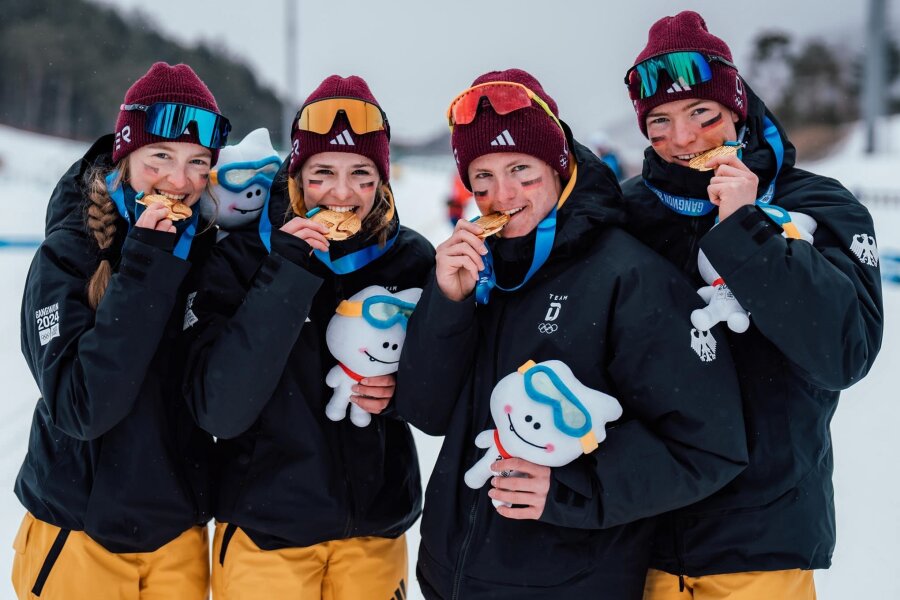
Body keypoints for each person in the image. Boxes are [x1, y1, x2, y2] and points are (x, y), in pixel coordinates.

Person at [395, 68, 749, 599]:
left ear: (559, 169)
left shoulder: (627, 275)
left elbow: (708, 447)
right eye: (483, 175)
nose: (501, 193)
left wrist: (569, 485)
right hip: (453, 581)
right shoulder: (476, 270)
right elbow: (425, 411)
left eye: (521, 169)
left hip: (573, 584)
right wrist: (449, 304)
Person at [619, 11, 884, 599]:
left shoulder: (816, 203)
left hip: (763, 541)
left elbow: (845, 352)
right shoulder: (627, 212)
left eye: (702, 114)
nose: (682, 138)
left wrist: (745, 228)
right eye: (659, 121)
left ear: (737, 109)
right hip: (640, 542)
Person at [181, 75, 434, 599]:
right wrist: (288, 271)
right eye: (322, 173)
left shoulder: (412, 259)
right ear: (296, 176)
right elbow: (219, 408)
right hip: (264, 534)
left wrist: (401, 393)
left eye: (361, 174)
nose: (341, 194)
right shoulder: (240, 258)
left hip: (375, 530)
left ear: (382, 180)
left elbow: (445, 389)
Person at [13, 62, 230, 599]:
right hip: (79, 539)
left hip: (178, 541)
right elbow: (83, 407)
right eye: (161, 157)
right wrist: (146, 266)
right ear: (124, 157)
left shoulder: (208, 253)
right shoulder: (68, 254)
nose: (180, 182)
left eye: (197, 163)